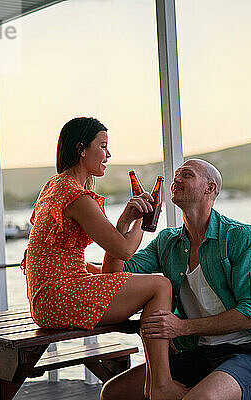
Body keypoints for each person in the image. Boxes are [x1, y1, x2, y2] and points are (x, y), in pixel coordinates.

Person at [20, 117, 188, 400]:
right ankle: (161, 384)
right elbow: (123, 251)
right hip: (57, 297)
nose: (109, 155)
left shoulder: (55, 186)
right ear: (82, 149)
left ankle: (157, 375)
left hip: (46, 296)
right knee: (160, 286)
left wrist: (125, 219)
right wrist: (144, 222)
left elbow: (111, 269)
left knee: (111, 275)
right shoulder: (76, 196)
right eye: (103, 146)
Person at [100, 159, 251, 400]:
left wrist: (182, 328)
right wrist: (127, 222)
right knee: (114, 393)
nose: (176, 179)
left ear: (209, 188)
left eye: (186, 175)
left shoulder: (240, 237)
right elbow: (114, 276)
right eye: (176, 175)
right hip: (200, 353)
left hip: (250, 354)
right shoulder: (167, 242)